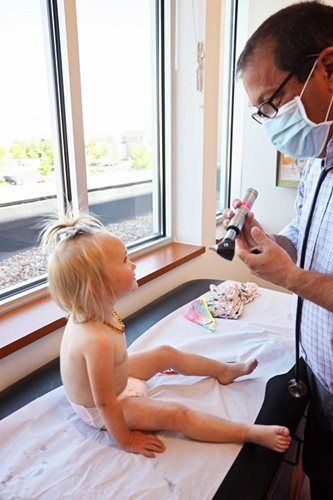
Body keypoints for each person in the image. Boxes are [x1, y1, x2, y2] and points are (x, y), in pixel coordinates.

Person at [41, 213, 291, 458]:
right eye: (125, 260)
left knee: (166, 354)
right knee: (176, 414)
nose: (134, 264)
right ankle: (248, 432)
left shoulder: (97, 310)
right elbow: (106, 403)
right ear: (97, 285)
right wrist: (126, 439)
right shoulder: (94, 341)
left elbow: (114, 368)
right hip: (102, 407)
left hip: (116, 378)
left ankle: (223, 371)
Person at [223, 2, 333, 498]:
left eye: (273, 103)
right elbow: (303, 240)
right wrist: (264, 241)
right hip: (320, 378)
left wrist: (289, 279)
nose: (270, 124)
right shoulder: (319, 156)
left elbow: (298, 274)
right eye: (261, 112)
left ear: (327, 67)